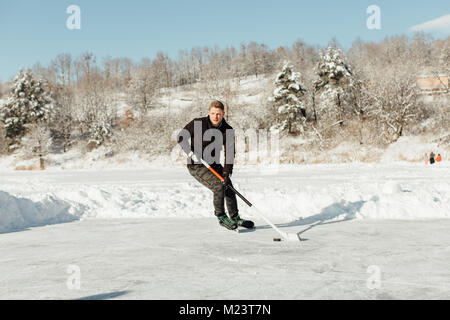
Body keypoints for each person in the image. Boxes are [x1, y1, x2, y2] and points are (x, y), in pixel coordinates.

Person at [177, 100, 254, 231]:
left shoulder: (227, 130)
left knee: (228, 186)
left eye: (218, 114)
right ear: (209, 112)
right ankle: (221, 216)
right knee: (218, 185)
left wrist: (226, 171)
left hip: (214, 164)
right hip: (197, 165)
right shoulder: (198, 123)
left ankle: (235, 217)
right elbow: (181, 137)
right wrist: (190, 153)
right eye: (213, 113)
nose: (215, 116)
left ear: (223, 114)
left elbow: (230, 153)